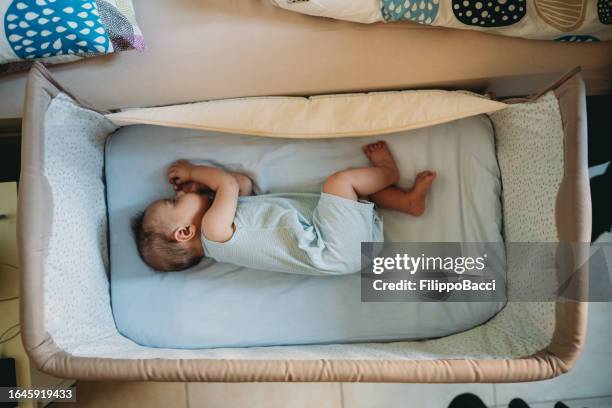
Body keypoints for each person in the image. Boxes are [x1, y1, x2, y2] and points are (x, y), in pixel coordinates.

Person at [133, 141, 436, 273]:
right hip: (338, 247)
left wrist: (198, 191)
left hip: (351, 250)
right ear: (185, 232)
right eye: (173, 201)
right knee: (339, 183)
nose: (178, 194)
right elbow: (226, 184)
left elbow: (241, 186)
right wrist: (193, 171)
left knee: (354, 199)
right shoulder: (213, 231)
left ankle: (407, 203)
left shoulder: (223, 230)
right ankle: (388, 171)